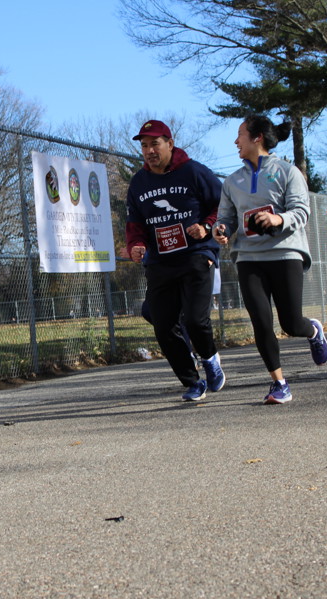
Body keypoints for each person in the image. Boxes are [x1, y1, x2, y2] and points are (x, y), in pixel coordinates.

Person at [212, 114, 327, 405]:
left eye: (240, 134)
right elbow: (226, 217)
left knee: (291, 324)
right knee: (261, 322)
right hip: (248, 258)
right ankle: (279, 383)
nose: (235, 141)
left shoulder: (288, 172)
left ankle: (313, 330)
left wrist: (278, 219)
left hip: (285, 253)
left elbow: (301, 211)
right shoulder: (232, 181)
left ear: (257, 138)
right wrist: (221, 229)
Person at [125, 119, 225, 401]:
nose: (149, 151)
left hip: (196, 255)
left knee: (195, 320)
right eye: (144, 146)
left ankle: (210, 359)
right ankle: (192, 381)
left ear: (170, 143)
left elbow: (223, 205)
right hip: (160, 262)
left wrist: (206, 226)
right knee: (162, 324)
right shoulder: (139, 182)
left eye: (155, 144)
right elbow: (135, 224)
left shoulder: (194, 172)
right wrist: (136, 245)